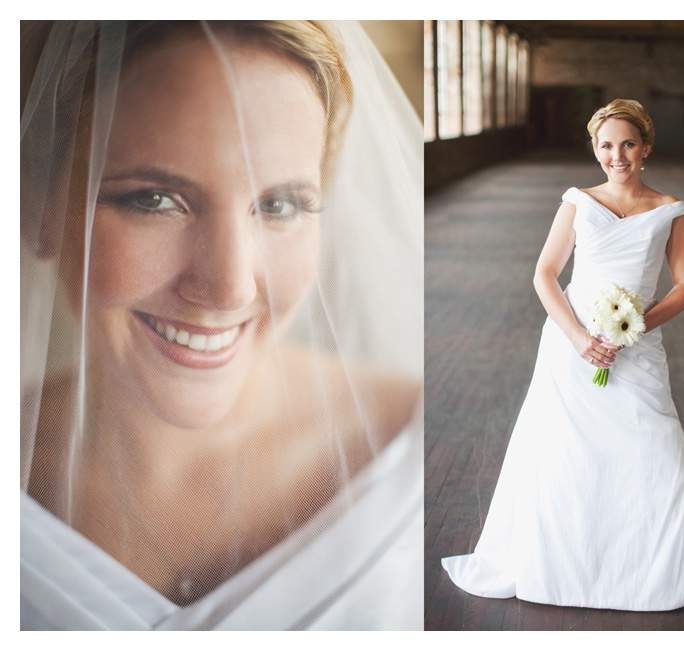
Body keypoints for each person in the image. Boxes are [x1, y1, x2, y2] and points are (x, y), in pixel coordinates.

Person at [20, 20, 423, 630]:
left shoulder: (417, 447)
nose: (230, 287)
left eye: (279, 205)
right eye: (154, 199)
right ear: (38, 204)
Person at [441, 99, 684, 611]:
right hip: (570, 344)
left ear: (645, 146)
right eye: (606, 145)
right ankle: (568, 565)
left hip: (637, 343)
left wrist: (637, 327)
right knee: (563, 450)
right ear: (595, 150)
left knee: (654, 441)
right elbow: (545, 274)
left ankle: (657, 566)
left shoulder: (671, 209)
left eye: (627, 144)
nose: (616, 155)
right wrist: (580, 338)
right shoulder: (578, 201)